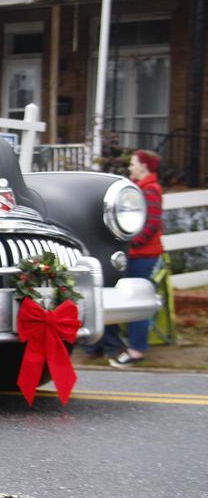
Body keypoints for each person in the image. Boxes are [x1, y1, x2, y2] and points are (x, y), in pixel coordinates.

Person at [84, 150, 164, 367]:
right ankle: (106, 346)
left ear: (145, 167)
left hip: (143, 256)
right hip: (134, 256)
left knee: (136, 302)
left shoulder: (150, 191)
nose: (130, 167)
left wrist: (127, 243)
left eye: (134, 163)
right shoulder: (140, 189)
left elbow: (150, 224)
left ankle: (136, 350)